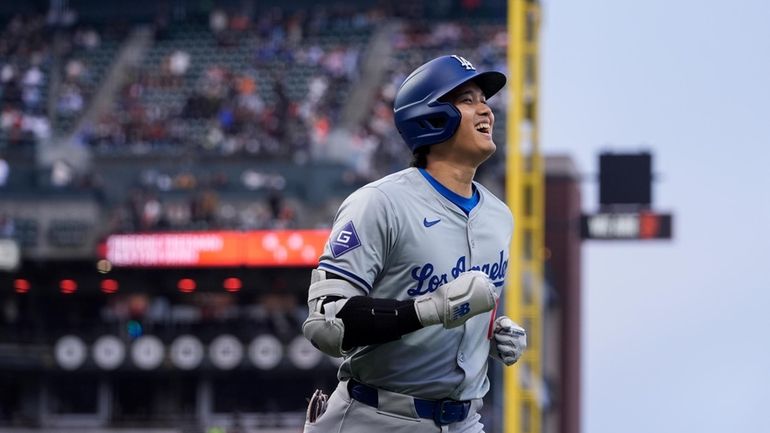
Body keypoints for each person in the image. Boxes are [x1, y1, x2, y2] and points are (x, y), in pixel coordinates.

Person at [302, 55, 528, 433]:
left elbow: (466, 306)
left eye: (484, 99)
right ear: (432, 116)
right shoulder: (379, 203)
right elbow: (326, 322)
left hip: (464, 421)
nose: (486, 109)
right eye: (467, 99)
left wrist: (493, 332)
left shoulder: (499, 216)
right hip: (375, 418)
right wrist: (428, 310)